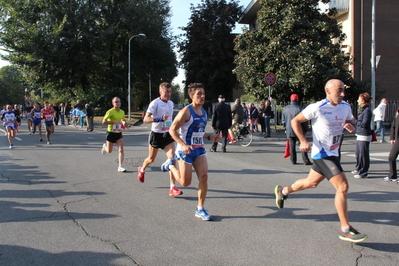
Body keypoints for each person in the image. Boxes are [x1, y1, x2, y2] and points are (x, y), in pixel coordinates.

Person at [274, 79, 368, 243]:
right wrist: (303, 140)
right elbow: (295, 121)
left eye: (343, 90)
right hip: (322, 154)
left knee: (311, 183)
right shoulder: (317, 107)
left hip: (334, 153)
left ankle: (283, 191)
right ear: (328, 91)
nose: (343, 94)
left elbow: (351, 122)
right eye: (339, 90)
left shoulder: (345, 106)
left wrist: (351, 126)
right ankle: (345, 228)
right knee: (343, 186)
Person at [165, 83, 220, 220]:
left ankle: (200, 209)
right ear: (191, 96)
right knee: (185, 183)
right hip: (186, 151)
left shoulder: (204, 112)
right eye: (199, 94)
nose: (202, 96)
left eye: (203, 93)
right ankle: (170, 165)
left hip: (199, 150)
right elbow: (172, 129)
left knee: (204, 177)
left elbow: (200, 133)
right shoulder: (186, 111)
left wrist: (210, 137)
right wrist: (183, 145)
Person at [137, 82, 183, 197]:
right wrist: (159, 118)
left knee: (172, 159)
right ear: (160, 92)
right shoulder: (155, 103)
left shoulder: (171, 103)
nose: (168, 94)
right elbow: (145, 119)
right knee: (151, 159)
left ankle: (172, 187)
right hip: (156, 135)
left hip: (168, 135)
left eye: (170, 92)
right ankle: (142, 169)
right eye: (166, 92)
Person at [282, 94, 312, 165]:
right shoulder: (300, 109)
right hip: (299, 129)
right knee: (302, 144)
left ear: (290, 99)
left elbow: (284, 120)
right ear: (297, 99)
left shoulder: (285, 109)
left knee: (292, 146)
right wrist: (306, 129)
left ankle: (293, 160)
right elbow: (304, 121)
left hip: (289, 129)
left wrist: (285, 128)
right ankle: (306, 160)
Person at [100, 97, 128, 172]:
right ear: (113, 103)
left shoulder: (122, 111)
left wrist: (124, 123)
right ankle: (104, 147)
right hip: (110, 133)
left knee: (121, 149)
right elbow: (103, 122)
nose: (118, 103)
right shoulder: (110, 111)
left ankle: (120, 166)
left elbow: (123, 119)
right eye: (116, 102)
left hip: (118, 133)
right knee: (109, 151)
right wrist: (114, 123)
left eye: (119, 101)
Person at [351, 93, 372, 179]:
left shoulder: (367, 110)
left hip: (364, 135)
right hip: (359, 134)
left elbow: (364, 124)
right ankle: (358, 168)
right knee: (358, 153)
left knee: (363, 154)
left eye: (359, 99)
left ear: (363, 100)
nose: (357, 101)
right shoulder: (362, 110)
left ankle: (363, 172)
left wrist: (354, 120)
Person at [384, 108, 399, 182]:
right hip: (398, 139)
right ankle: (393, 175)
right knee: (391, 157)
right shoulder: (397, 113)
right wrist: (392, 137)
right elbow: (394, 125)